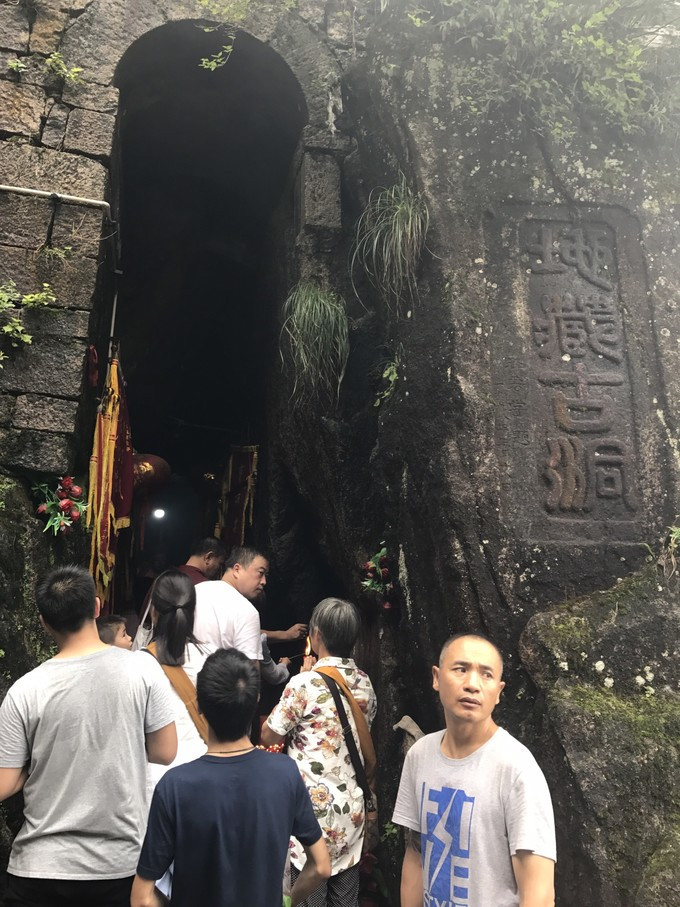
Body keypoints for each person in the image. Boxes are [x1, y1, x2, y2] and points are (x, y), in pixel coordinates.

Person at [0, 565, 177, 907]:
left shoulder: (25, 691)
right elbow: (165, 751)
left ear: (43, 622)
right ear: (97, 608)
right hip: (117, 866)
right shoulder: (141, 671)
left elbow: (4, 783)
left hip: (38, 869)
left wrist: (31, 768)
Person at [131, 648, 331, 907]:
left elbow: (142, 897)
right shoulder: (285, 774)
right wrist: (287, 900)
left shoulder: (175, 786)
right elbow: (321, 866)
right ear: (256, 700)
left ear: (200, 704)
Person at [393, 633, 556, 907]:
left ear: (499, 692)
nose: (472, 684)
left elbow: (538, 893)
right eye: (461, 669)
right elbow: (416, 851)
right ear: (436, 677)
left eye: (486, 675)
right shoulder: (419, 756)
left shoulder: (516, 768)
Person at [262, 597, 377, 907]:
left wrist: (299, 679)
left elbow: (269, 733)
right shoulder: (365, 685)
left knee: (307, 896)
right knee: (344, 898)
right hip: (351, 811)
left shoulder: (304, 683)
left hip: (309, 813)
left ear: (315, 635)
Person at [144, 569, 214, 796]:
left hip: (155, 783)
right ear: (193, 611)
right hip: (205, 774)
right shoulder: (212, 658)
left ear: (154, 612)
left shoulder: (137, 665)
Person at [133, 538, 226, 651]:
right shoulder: (207, 587)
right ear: (209, 557)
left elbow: (145, 614)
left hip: (155, 649)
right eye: (219, 563)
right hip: (189, 652)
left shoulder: (163, 578)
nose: (219, 569)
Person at [193, 546, 269, 662]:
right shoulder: (246, 611)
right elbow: (249, 670)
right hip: (217, 679)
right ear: (237, 569)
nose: (264, 581)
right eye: (260, 573)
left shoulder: (195, 591)